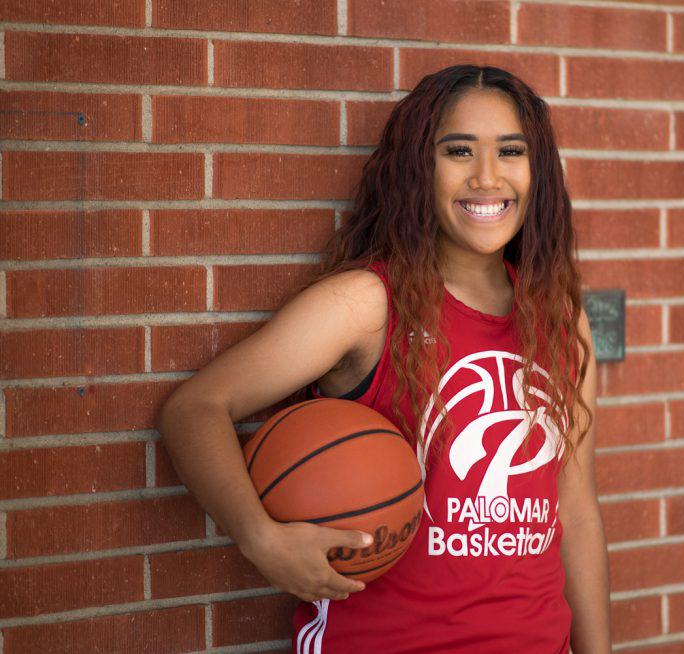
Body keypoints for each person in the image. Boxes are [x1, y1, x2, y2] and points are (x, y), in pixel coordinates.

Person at [156, 64, 611, 653]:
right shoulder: (368, 304)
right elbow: (196, 408)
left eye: (511, 151)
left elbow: (574, 512)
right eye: (458, 151)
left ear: (537, 171)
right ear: (420, 168)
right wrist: (259, 538)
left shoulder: (560, 318)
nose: (487, 176)